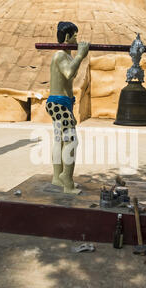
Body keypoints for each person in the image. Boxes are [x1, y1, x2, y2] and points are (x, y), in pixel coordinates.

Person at [45, 22, 89, 194]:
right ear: (67, 38)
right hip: (59, 103)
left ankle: (57, 177)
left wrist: (76, 57)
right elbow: (69, 73)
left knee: (59, 140)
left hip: (62, 103)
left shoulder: (66, 56)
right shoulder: (60, 55)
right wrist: (80, 56)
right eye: (75, 36)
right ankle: (67, 180)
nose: (77, 39)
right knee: (71, 141)